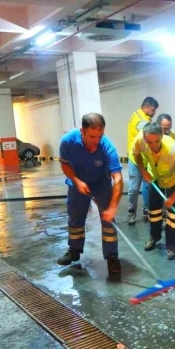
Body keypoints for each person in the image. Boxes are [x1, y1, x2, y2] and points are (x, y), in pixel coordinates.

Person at [56, 113, 124, 274]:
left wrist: (112, 207)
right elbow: (64, 164)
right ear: (82, 131)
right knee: (76, 216)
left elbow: (118, 179)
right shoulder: (68, 141)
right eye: (92, 136)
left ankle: (112, 256)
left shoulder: (107, 146)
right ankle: (74, 250)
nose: (96, 141)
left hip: (101, 183)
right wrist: (76, 181)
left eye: (100, 136)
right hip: (77, 182)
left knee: (109, 222)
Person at [131, 122, 175, 260]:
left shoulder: (172, 149)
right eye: (149, 143)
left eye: (157, 141)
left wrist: (174, 197)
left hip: (174, 180)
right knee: (154, 211)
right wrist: (143, 171)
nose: (153, 146)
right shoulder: (139, 141)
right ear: (144, 138)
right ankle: (154, 236)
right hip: (155, 177)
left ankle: (172, 246)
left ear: (162, 136)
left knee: (173, 217)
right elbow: (137, 155)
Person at [126, 97, 158, 225]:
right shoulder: (142, 121)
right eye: (153, 110)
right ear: (145, 108)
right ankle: (131, 211)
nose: (154, 112)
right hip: (135, 157)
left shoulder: (137, 114)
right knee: (134, 187)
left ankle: (146, 210)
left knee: (147, 185)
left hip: (146, 158)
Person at [141, 113, 175, 214]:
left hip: (165, 166)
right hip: (152, 166)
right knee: (151, 189)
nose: (167, 131)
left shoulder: (172, 135)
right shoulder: (148, 137)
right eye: (164, 128)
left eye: (169, 128)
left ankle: (165, 212)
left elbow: (172, 152)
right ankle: (148, 208)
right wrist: (144, 170)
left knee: (167, 189)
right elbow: (144, 156)